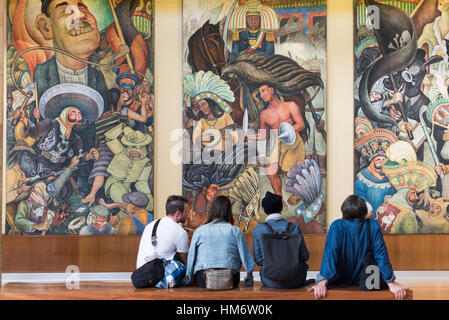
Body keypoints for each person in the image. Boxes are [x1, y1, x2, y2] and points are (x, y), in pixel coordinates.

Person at [309, 195, 408, 300]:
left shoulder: (336, 226)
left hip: (339, 279)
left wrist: (322, 282)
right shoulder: (373, 225)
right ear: (364, 211)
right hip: (367, 280)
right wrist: (391, 282)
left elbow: (330, 255)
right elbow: (381, 255)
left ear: (344, 210)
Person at [245, 84, 306, 197]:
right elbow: (264, 135)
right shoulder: (264, 114)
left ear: (272, 90)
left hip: (292, 142)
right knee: (270, 170)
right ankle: (279, 199)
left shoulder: (290, 105)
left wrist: (284, 132)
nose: (261, 95)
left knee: (288, 172)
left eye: (263, 91)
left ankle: (300, 192)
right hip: (277, 143)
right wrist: (249, 136)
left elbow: (301, 124)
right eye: (260, 93)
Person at [183, 196, 255, 289]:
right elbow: (246, 258)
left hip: (204, 280)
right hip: (231, 279)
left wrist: (189, 278)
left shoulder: (200, 231)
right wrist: (249, 277)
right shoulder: (235, 231)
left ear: (212, 210)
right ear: (229, 211)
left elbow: (191, 257)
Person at [252, 191, 309, 288]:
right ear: (281, 208)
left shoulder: (259, 229)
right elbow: (305, 256)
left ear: (263, 209)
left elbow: (259, 260)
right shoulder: (294, 227)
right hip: (296, 280)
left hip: (270, 280)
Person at [136, 195, 190, 269]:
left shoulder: (150, 225)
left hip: (141, 275)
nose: (188, 214)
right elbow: (185, 261)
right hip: (160, 278)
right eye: (186, 211)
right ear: (178, 214)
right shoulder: (180, 232)